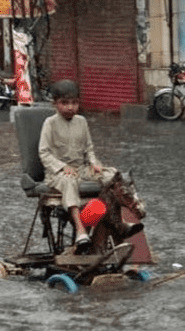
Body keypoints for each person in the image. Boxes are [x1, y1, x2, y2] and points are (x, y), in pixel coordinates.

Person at [38, 79, 122, 253]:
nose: (70, 107)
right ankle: (80, 229)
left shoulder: (82, 121)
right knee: (69, 181)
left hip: (81, 169)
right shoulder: (50, 124)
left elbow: (89, 149)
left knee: (113, 175)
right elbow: (44, 153)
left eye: (74, 103)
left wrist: (94, 163)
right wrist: (61, 167)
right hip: (58, 174)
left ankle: (117, 224)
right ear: (55, 104)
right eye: (65, 103)